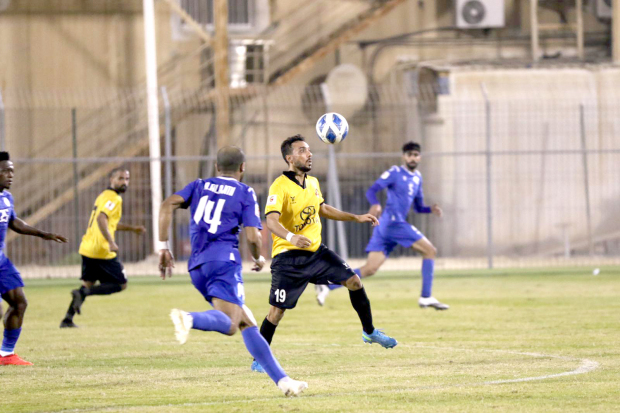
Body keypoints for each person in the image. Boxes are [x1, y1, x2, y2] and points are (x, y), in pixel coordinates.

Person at [158, 146, 307, 397]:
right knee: (230, 323)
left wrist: (163, 246)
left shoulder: (198, 185)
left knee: (247, 321)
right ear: (242, 168)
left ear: (217, 167)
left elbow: (166, 205)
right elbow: (253, 236)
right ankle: (188, 318)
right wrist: (258, 257)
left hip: (197, 266)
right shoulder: (244, 192)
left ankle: (284, 382)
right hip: (223, 264)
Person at [252, 135, 397, 373]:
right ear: (289, 158)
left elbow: (323, 209)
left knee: (354, 281)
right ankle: (259, 359)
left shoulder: (313, 183)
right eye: (302, 151)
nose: (309, 154)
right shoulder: (279, 185)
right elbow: (271, 221)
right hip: (288, 258)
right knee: (276, 312)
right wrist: (291, 237)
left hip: (316, 253)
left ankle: (369, 332)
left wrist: (356, 217)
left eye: (309, 150)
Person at [315, 141, 448, 310]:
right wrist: (376, 204)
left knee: (370, 269)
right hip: (393, 222)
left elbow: (418, 207)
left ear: (419, 157)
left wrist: (430, 209)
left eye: (416, 155)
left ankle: (327, 285)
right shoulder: (395, 172)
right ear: (404, 157)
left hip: (386, 227)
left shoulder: (418, 178)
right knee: (430, 251)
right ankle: (426, 297)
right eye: (409, 155)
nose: (413, 158)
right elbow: (371, 190)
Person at [0, 152, 68, 365]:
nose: (10, 175)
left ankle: (6, 355)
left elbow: (14, 222)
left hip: (1, 262)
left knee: (19, 303)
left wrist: (43, 234)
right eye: (5, 171)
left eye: (12, 171)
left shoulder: (6, 198)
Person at [60, 168, 145, 328]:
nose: (124, 182)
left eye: (127, 179)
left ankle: (67, 319)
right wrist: (111, 242)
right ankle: (83, 294)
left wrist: (132, 229)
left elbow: (110, 223)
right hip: (102, 249)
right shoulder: (114, 198)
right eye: (121, 178)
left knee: (88, 282)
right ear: (111, 179)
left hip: (88, 247)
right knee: (120, 284)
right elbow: (101, 218)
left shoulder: (103, 195)